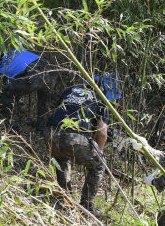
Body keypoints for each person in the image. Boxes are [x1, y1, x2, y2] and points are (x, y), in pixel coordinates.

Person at [46, 75, 121, 217]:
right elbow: (103, 132)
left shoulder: (70, 90)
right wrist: (99, 151)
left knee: (62, 159)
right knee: (99, 165)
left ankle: (64, 200)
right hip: (73, 137)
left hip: (50, 133)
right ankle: (87, 206)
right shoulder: (101, 98)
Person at [0, 48, 60, 130]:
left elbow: (10, 88)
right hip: (51, 70)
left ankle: (13, 127)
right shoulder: (16, 50)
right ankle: (41, 126)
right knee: (44, 100)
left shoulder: (3, 65)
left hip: (35, 75)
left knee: (7, 92)